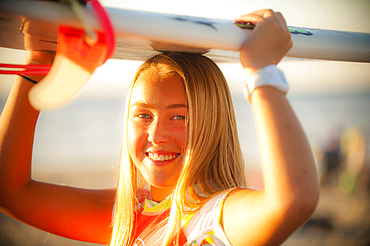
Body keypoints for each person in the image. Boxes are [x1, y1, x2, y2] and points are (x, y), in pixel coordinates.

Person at [0, 9, 319, 246]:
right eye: (143, 116)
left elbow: (293, 200)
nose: (156, 135)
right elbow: (10, 191)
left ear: (212, 122)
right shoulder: (127, 215)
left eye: (179, 116)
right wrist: (38, 65)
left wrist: (261, 71)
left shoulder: (217, 217)